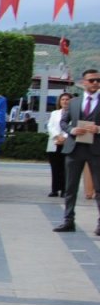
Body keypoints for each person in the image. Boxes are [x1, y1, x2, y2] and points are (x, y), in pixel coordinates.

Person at [53, 69, 100, 234]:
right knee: (70, 187)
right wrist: (72, 130)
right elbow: (64, 122)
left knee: (99, 188)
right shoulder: (74, 102)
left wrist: (98, 128)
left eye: (98, 80)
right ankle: (68, 220)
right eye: (92, 80)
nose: (95, 83)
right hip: (75, 149)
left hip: (96, 150)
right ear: (84, 82)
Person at [47, 93, 73, 197]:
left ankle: (64, 190)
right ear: (59, 101)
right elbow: (50, 126)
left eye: (67, 99)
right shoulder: (54, 113)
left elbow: (72, 127)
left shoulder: (74, 114)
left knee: (65, 168)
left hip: (67, 143)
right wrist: (57, 136)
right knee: (55, 167)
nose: (65, 101)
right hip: (54, 143)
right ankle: (54, 189)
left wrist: (65, 137)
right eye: (63, 99)